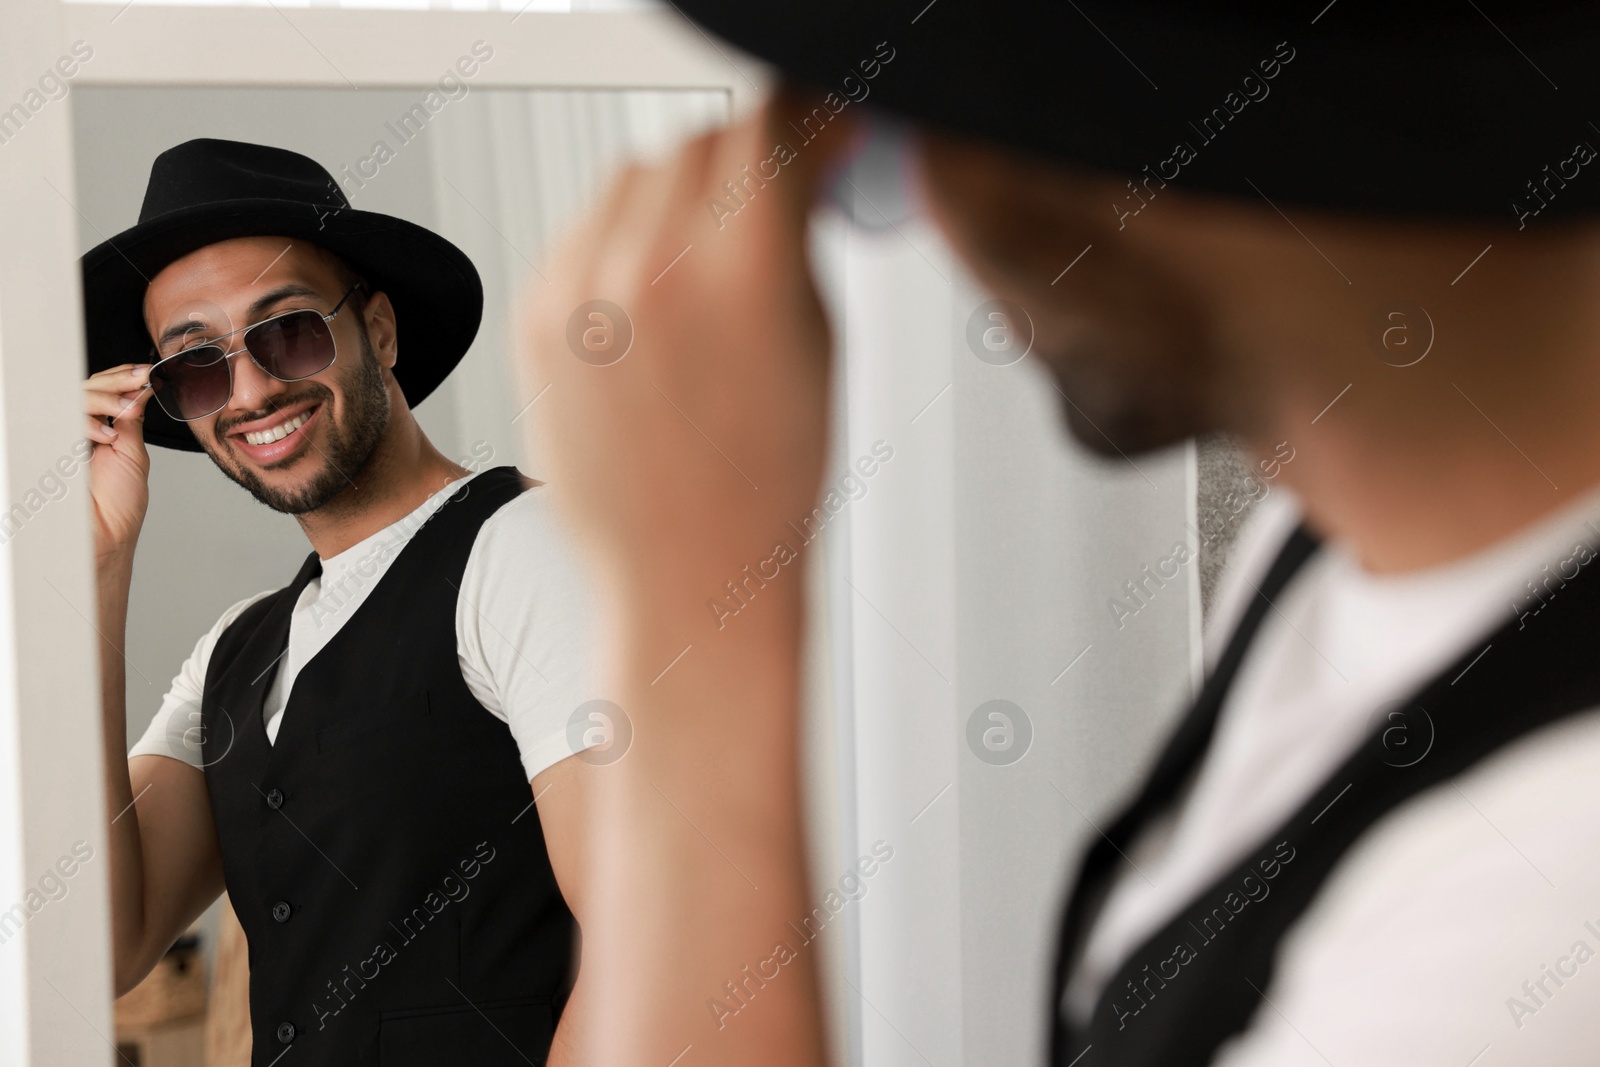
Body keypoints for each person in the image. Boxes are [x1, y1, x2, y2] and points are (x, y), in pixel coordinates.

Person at [512, 2, 1600, 1065]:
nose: (931, 220)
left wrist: (695, 610)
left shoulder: (1537, 908)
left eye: (899, 134)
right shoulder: (1338, 537)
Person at [84, 138, 603, 1066]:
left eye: (288, 331)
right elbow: (105, 944)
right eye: (197, 366)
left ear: (382, 330)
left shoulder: (523, 548)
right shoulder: (233, 652)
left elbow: (647, 939)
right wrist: (97, 569)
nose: (249, 391)